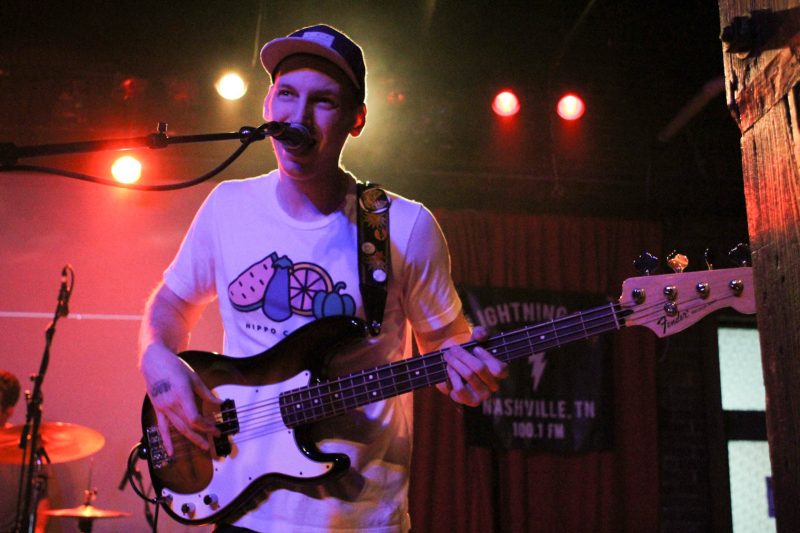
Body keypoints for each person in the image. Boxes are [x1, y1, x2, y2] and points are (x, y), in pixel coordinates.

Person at [138, 24, 508, 532]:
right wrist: (157, 359)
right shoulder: (228, 206)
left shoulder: (403, 226)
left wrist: (466, 376)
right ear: (267, 105)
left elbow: (447, 346)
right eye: (287, 94)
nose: (299, 116)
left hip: (359, 518)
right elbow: (171, 305)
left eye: (324, 101)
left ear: (357, 120)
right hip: (244, 507)